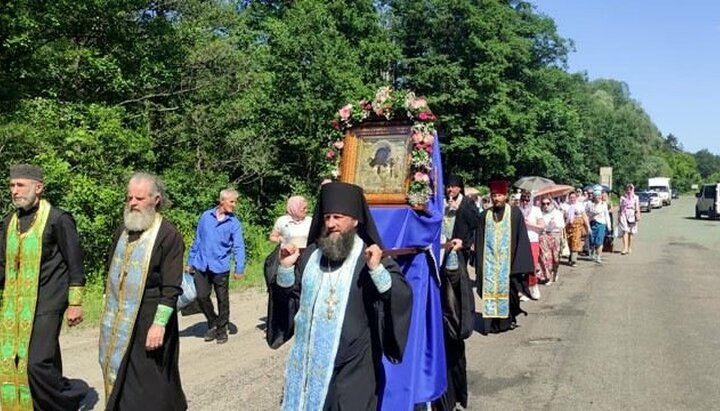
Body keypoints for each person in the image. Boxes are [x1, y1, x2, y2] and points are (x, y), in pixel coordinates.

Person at [264, 182, 413, 410]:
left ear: (355, 220)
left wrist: (377, 271)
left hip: (353, 370)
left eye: (338, 217)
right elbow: (292, 301)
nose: (331, 224)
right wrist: (284, 269)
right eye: (327, 217)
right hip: (309, 367)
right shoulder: (311, 256)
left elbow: (400, 296)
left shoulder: (369, 257)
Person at [0, 164, 87, 410]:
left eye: (20, 185)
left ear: (38, 188)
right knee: (20, 358)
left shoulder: (58, 219)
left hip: (49, 300)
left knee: (35, 362)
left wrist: (76, 302)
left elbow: (75, 261)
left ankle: (66, 403)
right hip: (15, 304)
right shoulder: (9, 221)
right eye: (12, 186)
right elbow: (2, 264)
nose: (14, 191)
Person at [99, 172, 186, 410]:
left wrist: (159, 324)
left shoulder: (168, 235)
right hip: (121, 318)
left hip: (151, 317)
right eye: (129, 198)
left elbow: (171, 287)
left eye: (139, 198)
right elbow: (110, 271)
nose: (133, 203)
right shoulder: (124, 230)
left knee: (150, 381)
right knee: (122, 375)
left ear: (155, 199)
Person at [187, 188, 246, 344]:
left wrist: (239, 268)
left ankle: (221, 330)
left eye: (235, 202)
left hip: (220, 266)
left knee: (222, 300)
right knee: (201, 296)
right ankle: (213, 322)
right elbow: (197, 240)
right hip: (202, 264)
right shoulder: (206, 217)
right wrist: (190, 261)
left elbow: (239, 247)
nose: (234, 205)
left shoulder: (234, 223)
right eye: (232, 201)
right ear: (222, 201)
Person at [476, 180, 534, 334]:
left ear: (506, 196)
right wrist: (479, 264)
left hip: (509, 263)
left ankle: (507, 321)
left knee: (509, 294)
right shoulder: (484, 216)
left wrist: (518, 264)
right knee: (490, 293)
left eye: (500, 195)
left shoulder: (514, 214)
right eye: (494, 195)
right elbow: (479, 240)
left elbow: (521, 237)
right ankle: (492, 324)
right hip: (489, 265)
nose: (497, 198)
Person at [519, 192, 544, 300]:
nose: (525, 202)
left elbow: (542, 226)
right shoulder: (518, 210)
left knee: (531, 266)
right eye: (523, 199)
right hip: (520, 241)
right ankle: (523, 289)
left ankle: (533, 286)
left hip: (533, 240)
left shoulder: (536, 210)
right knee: (520, 267)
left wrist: (529, 224)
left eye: (527, 200)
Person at [539, 197, 565, 284]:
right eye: (543, 204)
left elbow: (562, 225)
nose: (545, 206)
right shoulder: (541, 214)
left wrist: (554, 224)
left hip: (555, 235)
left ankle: (555, 271)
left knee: (556, 258)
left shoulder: (557, 213)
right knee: (546, 257)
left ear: (551, 203)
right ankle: (548, 277)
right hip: (545, 235)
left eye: (547, 203)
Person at [564, 191, 590, 267]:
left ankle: (574, 260)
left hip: (577, 225)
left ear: (576, 198)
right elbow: (562, 215)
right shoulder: (565, 205)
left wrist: (588, 226)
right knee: (569, 242)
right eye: (571, 197)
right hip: (568, 225)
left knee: (575, 241)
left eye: (574, 197)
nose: (572, 199)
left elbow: (584, 216)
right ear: (568, 198)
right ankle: (570, 257)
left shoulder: (580, 205)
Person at [585, 186, 611, 264]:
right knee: (592, 241)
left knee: (599, 241)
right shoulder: (589, 204)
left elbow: (606, 215)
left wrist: (609, 226)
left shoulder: (603, 204)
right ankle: (592, 251)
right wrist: (589, 219)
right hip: (592, 223)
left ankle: (598, 256)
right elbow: (585, 214)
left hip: (601, 224)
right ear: (594, 196)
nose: (598, 197)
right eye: (597, 196)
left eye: (599, 195)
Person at [618, 184, 640, 255]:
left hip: (632, 214)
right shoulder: (622, 198)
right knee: (625, 231)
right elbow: (620, 208)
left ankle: (629, 247)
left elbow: (637, 207)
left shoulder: (636, 197)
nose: (629, 190)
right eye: (627, 189)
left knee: (631, 232)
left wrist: (638, 214)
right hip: (624, 214)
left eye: (630, 189)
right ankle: (625, 248)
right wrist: (619, 216)